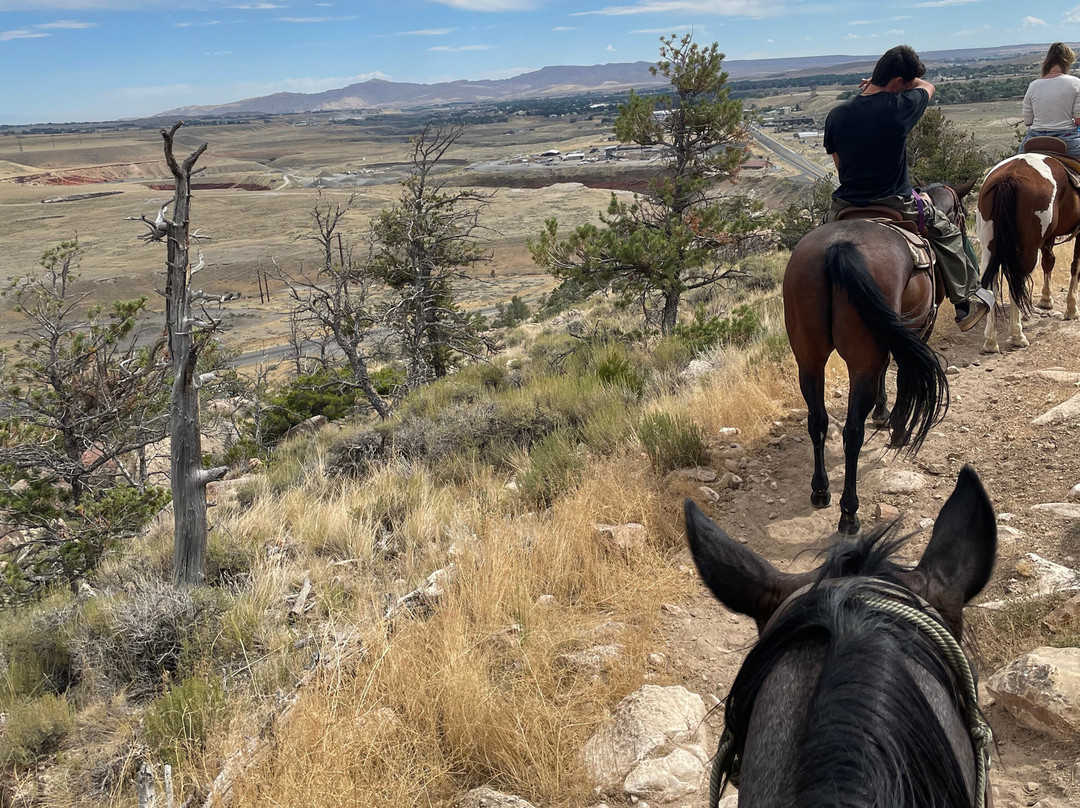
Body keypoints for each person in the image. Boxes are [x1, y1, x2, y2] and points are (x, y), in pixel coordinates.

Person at [823, 45, 994, 332]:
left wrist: (876, 81)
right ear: (898, 83)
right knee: (948, 233)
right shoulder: (899, 107)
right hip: (895, 203)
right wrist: (898, 83)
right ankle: (965, 303)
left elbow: (840, 166)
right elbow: (928, 86)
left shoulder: (836, 114)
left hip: (844, 205)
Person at [1020, 42, 1080, 159]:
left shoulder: (1033, 85)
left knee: (1015, 164)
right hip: (1067, 139)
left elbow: (1028, 122)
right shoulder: (1075, 83)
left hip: (1034, 139)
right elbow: (1078, 120)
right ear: (1068, 62)